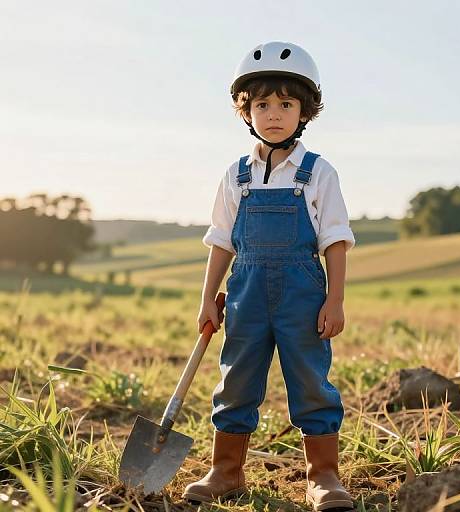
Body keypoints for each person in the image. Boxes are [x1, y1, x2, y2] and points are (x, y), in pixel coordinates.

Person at [183, 41, 356, 511]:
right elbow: (221, 240)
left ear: (305, 111)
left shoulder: (318, 172)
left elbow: (335, 240)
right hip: (246, 294)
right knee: (236, 378)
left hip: (302, 295)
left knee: (311, 380)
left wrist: (335, 299)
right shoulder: (236, 176)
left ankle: (323, 477)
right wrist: (207, 298)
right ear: (246, 110)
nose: (273, 114)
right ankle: (226, 471)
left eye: (286, 103)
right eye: (262, 104)